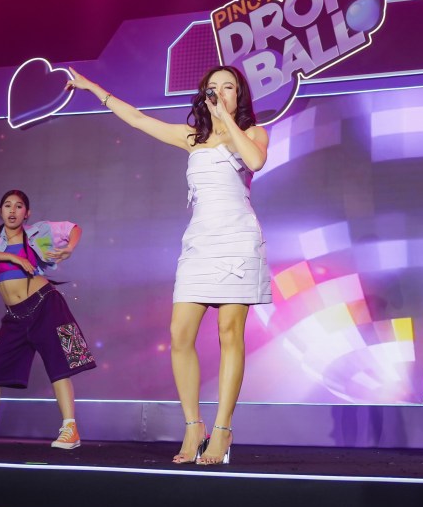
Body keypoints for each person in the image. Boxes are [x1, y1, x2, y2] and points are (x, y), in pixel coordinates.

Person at [65, 65, 271, 465]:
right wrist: (93, 88)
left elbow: (255, 161)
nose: (220, 93)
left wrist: (227, 120)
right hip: (200, 243)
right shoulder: (192, 137)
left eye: (228, 87)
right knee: (180, 334)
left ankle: (223, 430)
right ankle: (193, 425)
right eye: (213, 88)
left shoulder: (254, 133)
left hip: (237, 240)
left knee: (230, 333)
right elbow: (138, 120)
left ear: (239, 95)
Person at [0, 190, 96, 450]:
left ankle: (70, 430)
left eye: (19, 206)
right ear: (0, 211)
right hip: (15, 314)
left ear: (27, 213)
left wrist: (69, 248)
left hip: (46, 305)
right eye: (7, 205)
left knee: (59, 366)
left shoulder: (37, 232)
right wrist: (12, 256)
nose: (12, 210)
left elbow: (73, 228)